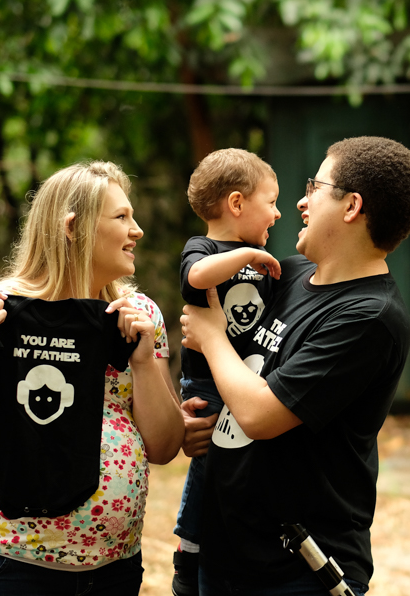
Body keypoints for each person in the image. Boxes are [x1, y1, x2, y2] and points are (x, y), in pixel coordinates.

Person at [180, 136, 410, 596]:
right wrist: (200, 419)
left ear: (352, 206)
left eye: (314, 186)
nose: (300, 200)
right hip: (227, 552)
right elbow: (238, 377)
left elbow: (259, 413)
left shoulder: (370, 317)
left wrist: (211, 334)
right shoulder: (285, 274)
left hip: (297, 572)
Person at [0, 160, 184, 596]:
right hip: (12, 567)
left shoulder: (139, 317)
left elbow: (163, 448)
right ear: (73, 227)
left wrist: (143, 361)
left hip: (115, 569)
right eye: (122, 217)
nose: (137, 229)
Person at [172, 149, 282, 595]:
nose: (277, 212)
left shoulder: (262, 260)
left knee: (238, 468)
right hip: (207, 385)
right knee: (209, 465)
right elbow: (196, 277)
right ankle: (189, 548)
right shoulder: (204, 249)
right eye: (271, 201)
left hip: (247, 378)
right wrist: (245, 256)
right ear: (236, 204)